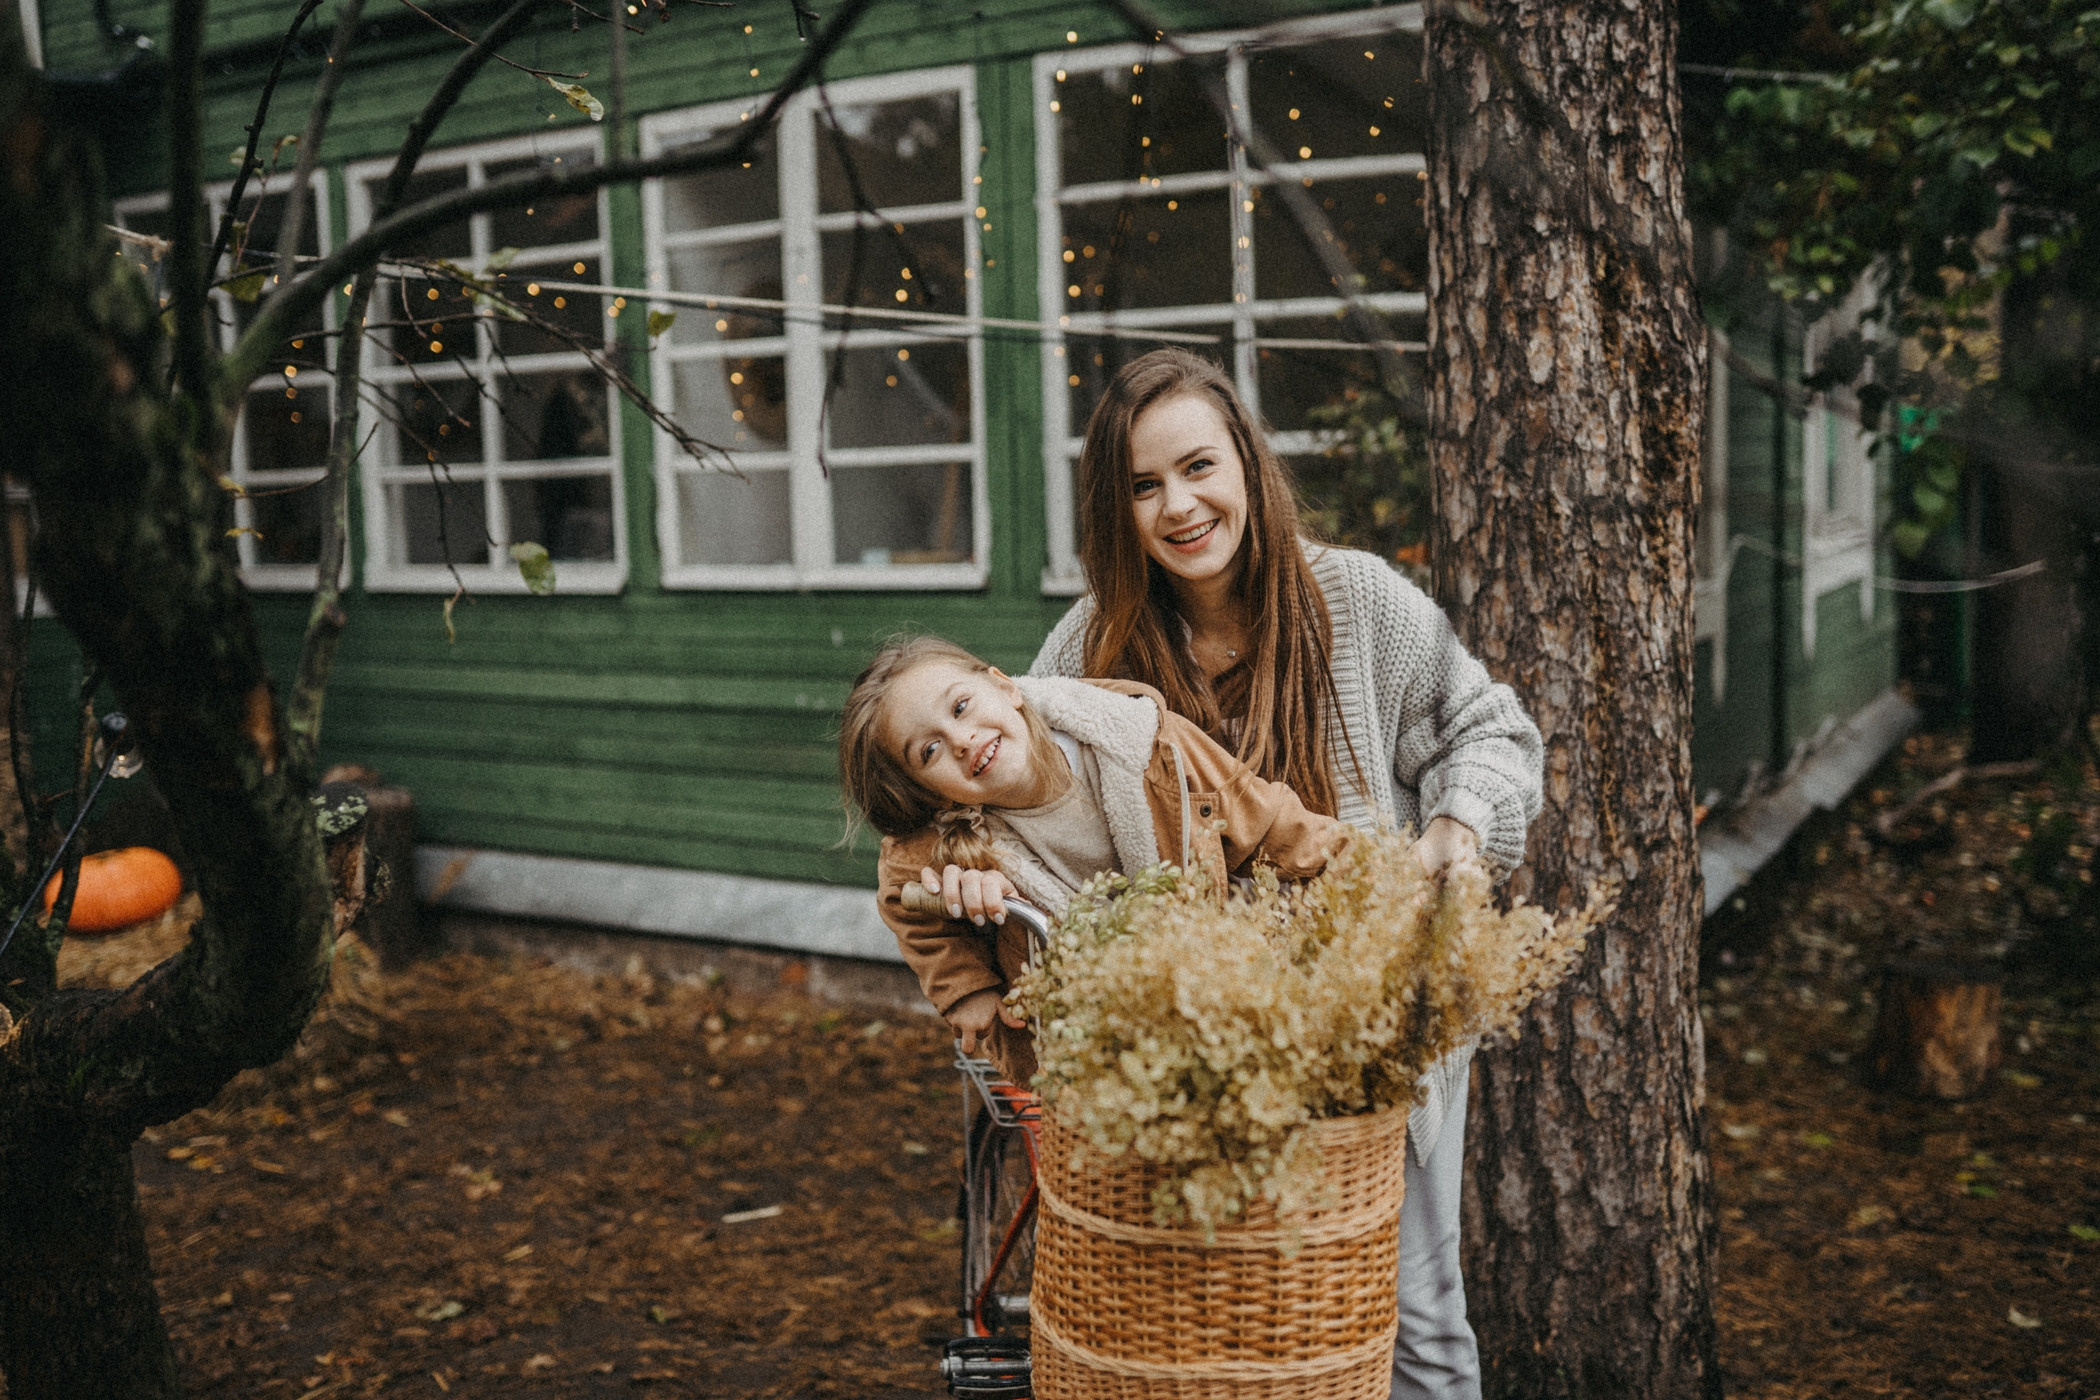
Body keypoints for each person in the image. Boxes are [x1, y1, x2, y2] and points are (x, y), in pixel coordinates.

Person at [1029, 348, 1543, 1400]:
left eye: (1198, 465)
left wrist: (1456, 824)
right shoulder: (1095, 646)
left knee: (1412, 1311)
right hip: (1199, 1054)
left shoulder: (1355, 603)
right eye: (1142, 484)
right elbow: (1002, 769)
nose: (1179, 504)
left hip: (1367, 1039)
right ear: (1114, 509)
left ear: (1248, 466)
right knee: (1224, 1332)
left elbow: (1493, 732)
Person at [839, 634, 1346, 1081]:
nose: (961, 740)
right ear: (934, 795)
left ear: (1005, 686)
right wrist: (966, 987)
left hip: (1210, 991)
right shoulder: (950, 845)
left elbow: (1269, 820)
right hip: (1084, 1049)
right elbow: (901, 894)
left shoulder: (1142, 740)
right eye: (928, 752)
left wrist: (1366, 869)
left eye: (961, 707)